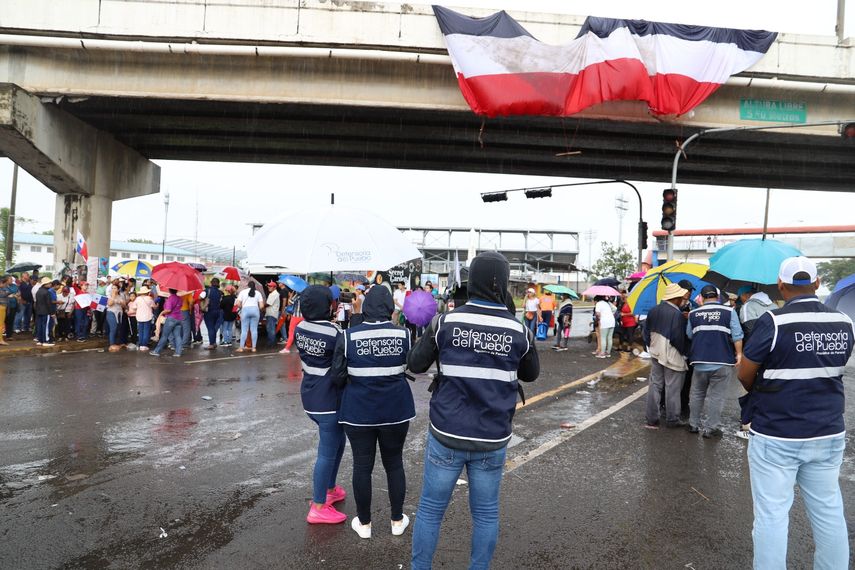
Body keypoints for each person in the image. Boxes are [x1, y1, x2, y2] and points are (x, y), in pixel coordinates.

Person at [408, 251, 540, 569]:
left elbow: (415, 364)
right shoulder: (519, 331)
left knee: (430, 510)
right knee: (486, 514)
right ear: (504, 284)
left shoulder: (445, 322)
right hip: (492, 438)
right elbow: (531, 374)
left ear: (472, 281)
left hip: (447, 433)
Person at [737, 257, 854, 569]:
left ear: (780, 285)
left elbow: (745, 373)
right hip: (828, 431)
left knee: (772, 515)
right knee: (829, 511)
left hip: (776, 433)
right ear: (816, 283)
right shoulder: (844, 321)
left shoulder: (773, 321)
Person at [331, 285, 414, 539]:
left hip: (358, 411)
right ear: (390, 308)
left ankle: (364, 524)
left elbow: (337, 376)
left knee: (362, 466)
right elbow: (412, 365)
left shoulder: (348, 336)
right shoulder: (404, 334)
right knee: (394, 463)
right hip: (396, 410)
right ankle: (397, 520)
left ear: (365, 307)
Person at [295, 285, 347, 525]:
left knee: (337, 442)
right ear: (327, 306)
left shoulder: (300, 327)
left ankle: (330, 488)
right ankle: (318, 506)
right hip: (328, 400)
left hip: (310, 396)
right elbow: (342, 365)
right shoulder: (335, 333)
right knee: (326, 452)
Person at [685, 285, 744, 438]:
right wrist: (739, 354)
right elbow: (737, 335)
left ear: (702, 298)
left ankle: (693, 425)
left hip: (699, 361)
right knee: (716, 396)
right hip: (722, 360)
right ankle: (711, 428)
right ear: (717, 297)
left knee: (697, 394)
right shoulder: (729, 311)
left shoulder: (693, 313)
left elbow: (689, 334)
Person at [643, 282, 689, 429]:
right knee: (672, 387)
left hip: (655, 351)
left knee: (655, 385)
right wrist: (686, 353)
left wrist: (651, 346)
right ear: (676, 298)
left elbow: (646, 332)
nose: (683, 300)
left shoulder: (654, 310)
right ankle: (672, 419)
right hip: (672, 354)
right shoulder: (677, 315)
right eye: (681, 298)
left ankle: (651, 419)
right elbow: (678, 338)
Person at [150, 288, 184, 357]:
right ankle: (178, 352)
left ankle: (156, 351)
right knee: (177, 336)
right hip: (179, 318)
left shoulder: (170, 299)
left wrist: (161, 313)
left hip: (171, 318)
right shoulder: (179, 298)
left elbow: (168, 310)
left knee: (164, 335)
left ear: (169, 291)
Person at [236, 282, 263, 352]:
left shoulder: (242, 292)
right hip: (255, 311)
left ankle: (241, 348)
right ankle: (254, 348)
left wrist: (242, 307)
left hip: (245, 311)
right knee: (254, 330)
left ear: (247, 286)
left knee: (244, 330)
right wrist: (256, 309)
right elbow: (261, 306)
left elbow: (238, 303)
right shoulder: (258, 293)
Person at [203, 278, 224, 349]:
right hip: (218, 312)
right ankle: (214, 343)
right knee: (214, 328)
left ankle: (211, 344)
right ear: (218, 283)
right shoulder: (220, 292)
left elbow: (200, 297)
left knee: (210, 328)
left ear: (211, 283)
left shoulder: (207, 290)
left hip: (209, 312)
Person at [133, 286, 156, 351]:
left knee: (140, 331)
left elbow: (134, 307)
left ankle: (140, 345)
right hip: (147, 316)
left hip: (139, 316)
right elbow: (154, 306)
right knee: (146, 331)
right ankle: (144, 345)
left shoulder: (137, 299)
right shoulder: (149, 298)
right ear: (147, 292)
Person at [264, 281, 280, 347]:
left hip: (271, 313)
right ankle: (272, 342)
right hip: (271, 313)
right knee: (270, 328)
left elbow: (268, 304)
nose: (269, 287)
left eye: (270, 286)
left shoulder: (274, 294)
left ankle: (271, 343)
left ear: (274, 287)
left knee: (271, 329)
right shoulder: (273, 293)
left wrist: (261, 305)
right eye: (268, 286)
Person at [0, 275, 10, 345]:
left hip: (2, 307)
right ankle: (0, 340)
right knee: (1, 324)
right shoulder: (2, 289)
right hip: (1, 307)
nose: (4, 284)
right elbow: (5, 294)